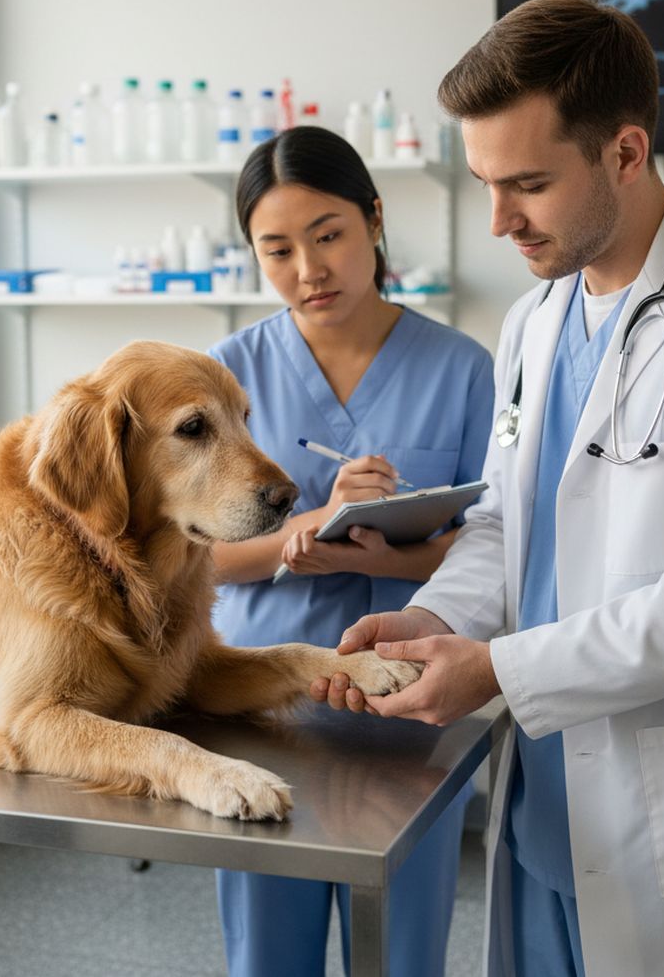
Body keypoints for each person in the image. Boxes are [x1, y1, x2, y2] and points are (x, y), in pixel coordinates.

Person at [312, 0, 664, 976]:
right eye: (482, 181)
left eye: (527, 183)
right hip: (547, 811)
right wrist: (436, 619)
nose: (497, 221)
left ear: (626, 152)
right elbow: (508, 523)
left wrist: (498, 671)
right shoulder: (536, 321)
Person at [207, 125, 494, 977]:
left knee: (405, 953)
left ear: (374, 219)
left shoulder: (465, 371)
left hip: (409, 703)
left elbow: (498, 548)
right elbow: (190, 559)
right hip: (264, 701)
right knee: (268, 954)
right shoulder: (224, 378)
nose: (309, 269)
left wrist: (387, 560)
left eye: (329, 234)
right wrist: (303, 534)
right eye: (278, 248)